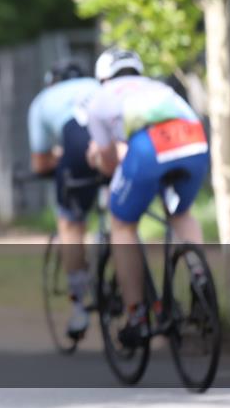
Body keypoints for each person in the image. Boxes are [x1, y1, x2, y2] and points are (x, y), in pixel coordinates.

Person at [85, 47, 209, 348]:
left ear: (103, 77)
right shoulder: (159, 87)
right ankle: (200, 279)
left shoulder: (99, 99)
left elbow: (109, 160)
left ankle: (136, 315)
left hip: (150, 148)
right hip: (193, 139)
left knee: (122, 225)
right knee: (181, 212)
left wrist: (101, 164)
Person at [27, 60, 100, 339]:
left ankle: (79, 307)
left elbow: (40, 164)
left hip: (76, 149)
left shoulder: (42, 101)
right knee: (123, 220)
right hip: (113, 144)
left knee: (70, 225)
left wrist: (58, 158)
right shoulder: (96, 87)